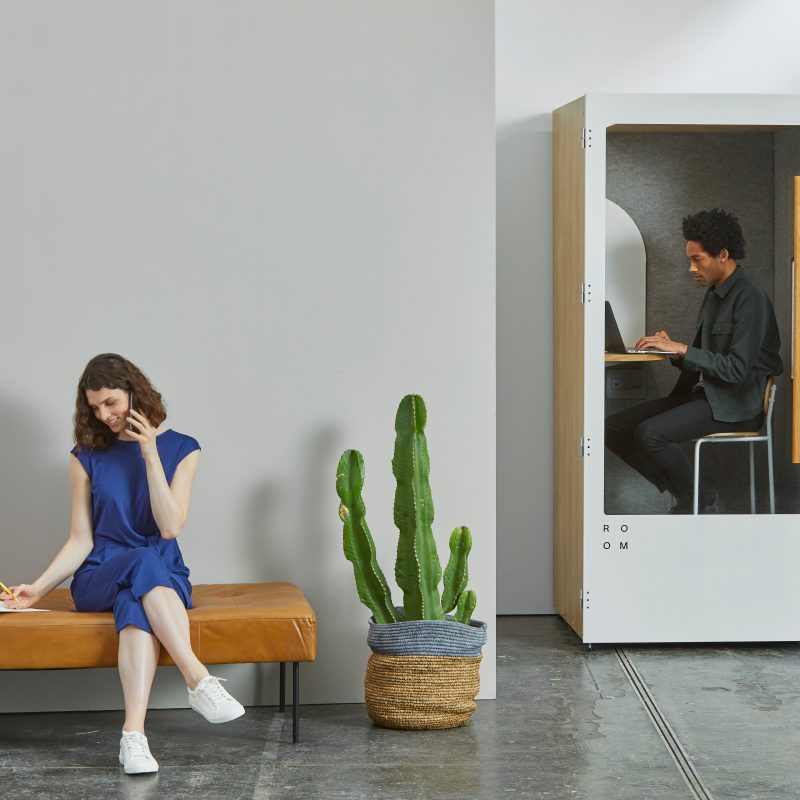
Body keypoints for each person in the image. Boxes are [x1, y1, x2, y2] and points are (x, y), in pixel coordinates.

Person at [0, 354, 245, 774]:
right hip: (100, 575)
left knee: (138, 602)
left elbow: (169, 528)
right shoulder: (85, 455)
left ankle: (133, 736)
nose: (104, 415)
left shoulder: (183, 449)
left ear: (134, 391)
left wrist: (150, 453)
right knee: (140, 566)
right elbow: (81, 539)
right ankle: (198, 679)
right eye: (95, 407)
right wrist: (38, 589)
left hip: (163, 575)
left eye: (111, 402)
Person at [605, 208, 782, 514]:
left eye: (697, 259)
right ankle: (693, 496)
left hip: (737, 404)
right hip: (706, 395)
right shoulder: (714, 294)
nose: (691, 268)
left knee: (651, 433)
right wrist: (674, 352)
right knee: (613, 428)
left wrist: (684, 348)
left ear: (722, 255)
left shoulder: (750, 298)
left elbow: (737, 370)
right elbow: (706, 359)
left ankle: (699, 501)